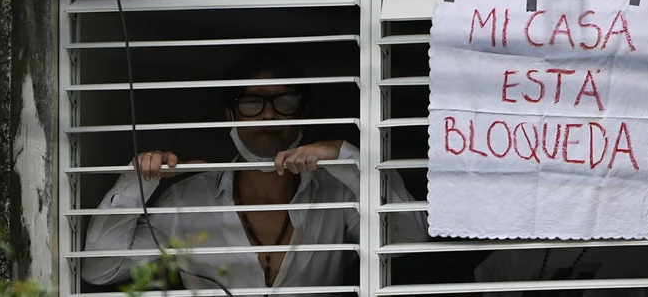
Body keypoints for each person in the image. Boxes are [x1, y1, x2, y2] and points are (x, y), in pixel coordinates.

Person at [80, 48, 425, 291]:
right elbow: (100, 269)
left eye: (283, 102)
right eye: (251, 102)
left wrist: (346, 156)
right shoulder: (188, 200)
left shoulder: (339, 191)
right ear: (229, 115)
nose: (269, 115)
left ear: (304, 113)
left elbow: (410, 239)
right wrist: (138, 182)